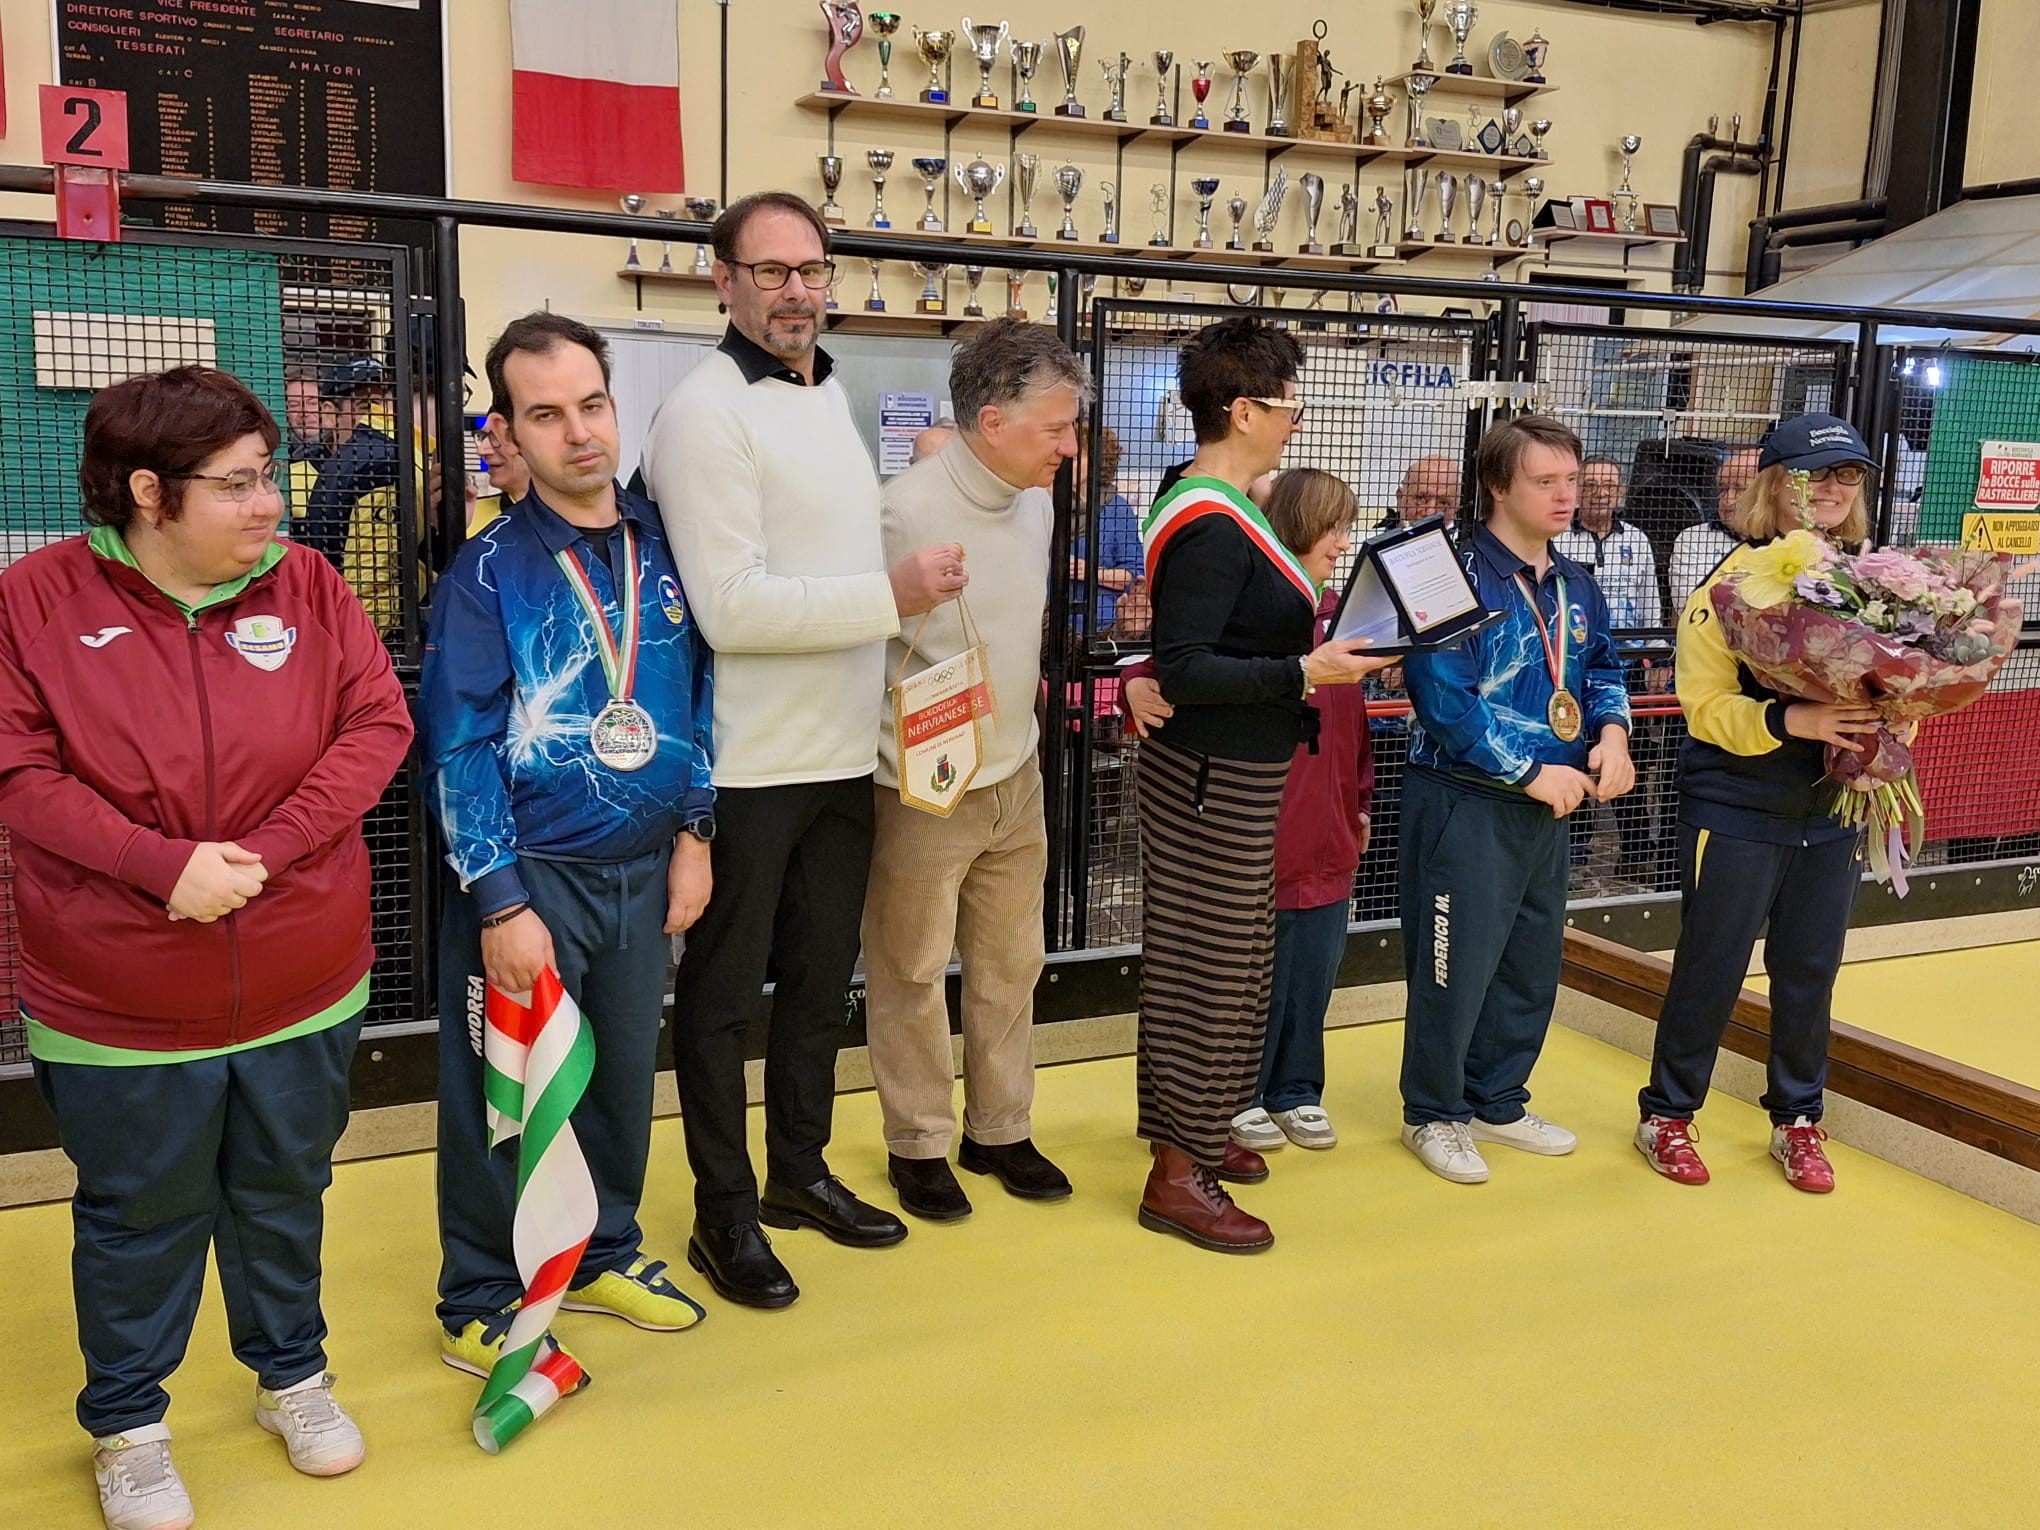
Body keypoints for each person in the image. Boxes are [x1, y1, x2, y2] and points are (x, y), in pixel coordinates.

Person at [0, 366, 413, 1530]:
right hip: (119, 999)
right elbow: (18, 770)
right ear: (148, 492)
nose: (270, 502)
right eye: (236, 484)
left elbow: (376, 724)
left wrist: (265, 853)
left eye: (268, 474)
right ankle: (130, 1427)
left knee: (286, 1186)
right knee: (139, 1212)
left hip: (302, 979)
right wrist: (157, 865)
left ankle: (293, 1377)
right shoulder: (36, 599)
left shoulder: (310, 586)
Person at [643, 191, 965, 1307]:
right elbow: (730, 610)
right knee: (724, 1001)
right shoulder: (704, 411)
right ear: (722, 280)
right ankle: (723, 1214)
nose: (797, 291)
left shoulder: (828, 392)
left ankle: (797, 1174)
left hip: (840, 753)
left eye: (812, 269)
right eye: (771, 270)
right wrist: (890, 594)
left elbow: (824, 565)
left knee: (823, 986)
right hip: (747, 764)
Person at [419, 312, 716, 1376]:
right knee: (501, 1092)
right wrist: (499, 901)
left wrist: (696, 831)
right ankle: (478, 1290)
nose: (580, 432)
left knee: (621, 1075)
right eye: (546, 414)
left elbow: (699, 692)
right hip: (531, 878)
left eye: (592, 405)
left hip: (645, 865)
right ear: (506, 431)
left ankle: (603, 1252)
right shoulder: (488, 573)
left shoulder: (667, 543)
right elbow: (456, 745)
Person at [1132, 317, 1385, 1254]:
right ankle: (1177, 1173)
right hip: (1211, 774)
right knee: (1205, 969)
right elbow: (1187, 665)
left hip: (1237, 769)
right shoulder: (1210, 521)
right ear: (1243, 411)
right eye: (1290, 407)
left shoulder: (1224, 502)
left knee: (1236, 961)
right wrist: (1305, 672)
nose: (1295, 423)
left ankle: (1198, 1133)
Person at [864, 319, 1085, 1221]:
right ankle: (917, 1140)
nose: (1069, 448)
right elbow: (858, 644)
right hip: (920, 783)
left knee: (1011, 963)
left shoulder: (1035, 505)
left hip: (1015, 771)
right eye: (1056, 429)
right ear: (992, 423)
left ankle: (999, 1127)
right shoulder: (902, 511)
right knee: (910, 969)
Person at [1635, 414, 1883, 1194]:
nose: (1835, 489)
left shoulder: (1867, 581)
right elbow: (1704, 708)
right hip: (1736, 807)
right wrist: (1792, 721)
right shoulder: (1729, 589)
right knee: (1711, 967)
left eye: (1848, 475)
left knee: (1809, 971)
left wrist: (1889, 726)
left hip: (1830, 810)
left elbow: (1892, 682)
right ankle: (1666, 1115)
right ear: (1777, 485)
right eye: (1817, 474)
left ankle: (1798, 1120)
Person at [1398, 415, 1634, 1185]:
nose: (1567, 496)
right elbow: (1442, 699)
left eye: (1571, 480)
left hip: (1550, 804)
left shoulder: (1576, 581)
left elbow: (1604, 667)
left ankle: (1496, 1099)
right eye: (1545, 481)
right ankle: (1433, 1112)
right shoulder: (1446, 574)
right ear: (1498, 486)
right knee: (1454, 966)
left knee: (1530, 964)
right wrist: (1530, 771)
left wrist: (1614, 737)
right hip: (1465, 799)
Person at [1124, 468, 1375, 1153]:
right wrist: (1132, 681)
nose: (1342, 543)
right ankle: (1232, 1104)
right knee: (1236, 969)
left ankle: (1295, 1088)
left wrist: (1360, 800)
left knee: (1305, 966)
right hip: (1255, 813)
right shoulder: (1258, 598)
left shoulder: (1342, 614)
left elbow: (1353, 728)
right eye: (1331, 527)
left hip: (1325, 827)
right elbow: (1180, 662)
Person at [1556, 454, 1666, 877]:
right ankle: (1574, 851)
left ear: (1621, 492)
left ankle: (1636, 852)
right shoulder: (1560, 538)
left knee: (1626, 754)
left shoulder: (1637, 540)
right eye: (1590, 484)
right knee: (1573, 752)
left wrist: (1656, 657)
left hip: (1626, 664)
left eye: (1609, 485)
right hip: (1572, 664)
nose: (1600, 493)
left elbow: (1650, 601)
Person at [302, 356, 396, 570]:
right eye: (368, 406)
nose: (380, 417)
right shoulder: (296, 474)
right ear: (329, 414)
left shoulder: (402, 469)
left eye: (386, 406)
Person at [1068, 424, 1143, 632]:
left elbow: (1134, 575)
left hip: (1101, 624)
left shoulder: (1117, 509)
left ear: (1096, 462)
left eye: (1074, 458)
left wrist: (1091, 572)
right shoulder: (1045, 503)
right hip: (1049, 623)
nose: (1064, 464)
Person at [1668, 444, 1761, 607]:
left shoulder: (1785, 538)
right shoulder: (1693, 538)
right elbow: (1689, 604)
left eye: (1740, 489)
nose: (1727, 500)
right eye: (1723, 489)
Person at [1378, 453, 1462, 532]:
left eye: (1443, 504)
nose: (1430, 512)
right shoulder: (1373, 539)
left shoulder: (1461, 540)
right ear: (1400, 498)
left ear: (1456, 508)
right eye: (1420, 499)